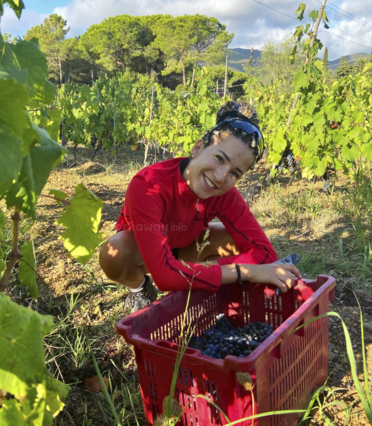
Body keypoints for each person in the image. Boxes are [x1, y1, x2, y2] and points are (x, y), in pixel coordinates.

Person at [99, 101, 301, 312]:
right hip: (145, 255)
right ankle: (140, 289)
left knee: (235, 242)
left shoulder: (225, 194)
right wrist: (244, 271)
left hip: (188, 248)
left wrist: (196, 272)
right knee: (115, 254)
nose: (222, 176)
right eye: (219, 158)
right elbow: (164, 276)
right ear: (197, 148)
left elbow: (265, 253)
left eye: (235, 173)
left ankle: (200, 288)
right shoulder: (148, 185)